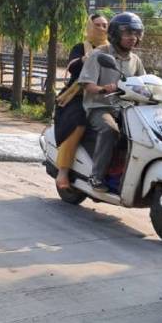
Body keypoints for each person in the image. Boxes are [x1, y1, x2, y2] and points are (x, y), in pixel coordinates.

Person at [76, 12, 147, 192]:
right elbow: (87, 84)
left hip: (126, 108)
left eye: (137, 33)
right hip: (100, 107)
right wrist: (103, 88)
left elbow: (144, 83)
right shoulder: (99, 54)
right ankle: (96, 177)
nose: (133, 38)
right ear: (115, 34)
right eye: (128, 33)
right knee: (110, 130)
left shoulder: (135, 60)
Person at [53, 13, 109, 190]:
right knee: (78, 124)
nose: (101, 28)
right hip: (78, 95)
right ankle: (62, 171)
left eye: (105, 25)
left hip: (106, 95)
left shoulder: (112, 49)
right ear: (90, 27)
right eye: (97, 25)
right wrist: (87, 57)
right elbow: (72, 67)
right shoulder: (81, 47)